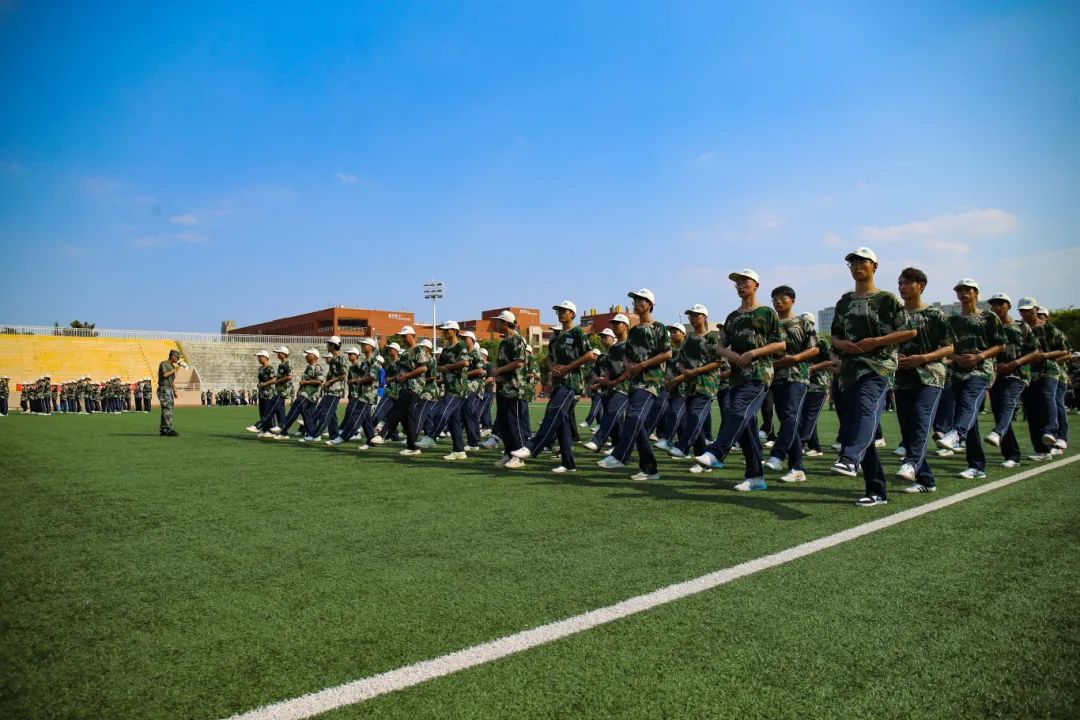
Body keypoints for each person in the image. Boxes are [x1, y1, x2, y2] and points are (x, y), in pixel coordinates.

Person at [828, 247, 915, 507]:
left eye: (862, 262)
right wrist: (841, 346)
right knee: (857, 425)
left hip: (878, 367)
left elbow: (909, 331)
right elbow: (834, 336)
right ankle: (876, 491)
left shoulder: (887, 299)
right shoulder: (844, 302)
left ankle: (850, 458)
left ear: (874, 266)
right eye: (853, 263)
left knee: (866, 410)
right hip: (849, 370)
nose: (857, 267)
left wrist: (876, 341)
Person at [693, 270, 786, 491]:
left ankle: (717, 451)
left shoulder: (767, 313)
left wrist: (753, 353)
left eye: (745, 281)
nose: (740, 285)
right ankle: (756, 477)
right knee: (746, 428)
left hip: (759, 373)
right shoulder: (732, 317)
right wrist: (732, 355)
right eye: (737, 282)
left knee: (737, 411)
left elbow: (781, 344)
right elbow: (719, 347)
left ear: (756, 285)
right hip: (737, 377)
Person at [511, 301, 596, 473]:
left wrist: (568, 367)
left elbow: (589, 355)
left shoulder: (578, 332)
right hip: (557, 382)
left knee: (553, 410)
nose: (560, 313)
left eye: (564, 311)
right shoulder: (556, 336)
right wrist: (551, 368)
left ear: (572, 314)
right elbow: (549, 356)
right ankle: (568, 463)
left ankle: (533, 445)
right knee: (562, 421)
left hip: (571, 382)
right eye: (558, 311)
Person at [596, 290, 672, 481]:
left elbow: (667, 353)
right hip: (635, 382)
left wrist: (642, 365)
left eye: (641, 300)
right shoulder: (634, 331)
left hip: (651, 381)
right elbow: (627, 356)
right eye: (635, 300)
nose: (636, 303)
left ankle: (621, 455)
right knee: (638, 426)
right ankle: (650, 470)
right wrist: (629, 365)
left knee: (634, 416)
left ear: (650, 304)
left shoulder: (659, 327)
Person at [893, 267, 955, 493]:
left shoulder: (935, 315)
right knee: (908, 428)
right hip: (902, 378)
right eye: (900, 283)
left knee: (921, 417)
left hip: (931, 376)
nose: (902, 287)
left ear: (921, 286)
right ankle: (926, 480)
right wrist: (895, 356)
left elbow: (949, 347)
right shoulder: (895, 315)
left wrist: (924, 358)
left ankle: (910, 463)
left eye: (907, 283)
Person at [937, 279, 1005, 479]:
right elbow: (946, 347)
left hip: (981, 370)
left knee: (968, 402)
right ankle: (976, 466)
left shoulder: (989, 317)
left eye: (968, 289)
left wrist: (980, 356)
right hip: (958, 372)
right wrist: (957, 358)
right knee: (969, 417)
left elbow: (1000, 344)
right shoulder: (952, 321)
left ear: (976, 293)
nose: (963, 293)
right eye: (960, 290)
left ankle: (956, 433)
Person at [763, 286, 819, 482]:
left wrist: (794, 358)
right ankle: (797, 469)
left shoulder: (802, 322)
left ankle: (778, 454)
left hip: (797, 376)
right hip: (775, 378)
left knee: (790, 417)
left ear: (792, 300)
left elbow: (814, 349)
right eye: (774, 299)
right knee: (788, 421)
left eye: (782, 298)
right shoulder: (770, 325)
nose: (778, 302)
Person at [667, 305, 724, 474]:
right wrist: (684, 371)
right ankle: (702, 461)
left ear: (704, 317)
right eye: (690, 316)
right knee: (695, 420)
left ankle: (683, 446)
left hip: (706, 384)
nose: (692, 318)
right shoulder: (688, 340)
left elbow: (718, 362)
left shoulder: (712, 338)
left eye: (696, 315)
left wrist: (697, 371)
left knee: (695, 415)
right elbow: (680, 362)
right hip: (690, 386)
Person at [986, 294, 1039, 468]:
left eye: (1000, 304)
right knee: (999, 412)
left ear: (1008, 306)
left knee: (1007, 402)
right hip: (996, 376)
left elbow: (1035, 351)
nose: (997, 307)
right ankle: (1012, 455)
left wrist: (1015, 363)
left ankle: (997, 432)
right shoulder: (990, 329)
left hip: (1018, 374)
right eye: (994, 305)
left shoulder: (1021, 327)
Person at [489, 310, 530, 468]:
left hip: (514, 388)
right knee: (504, 423)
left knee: (514, 423)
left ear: (505, 323)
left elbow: (519, 362)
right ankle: (508, 453)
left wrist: (498, 371)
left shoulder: (517, 339)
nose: (496, 324)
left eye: (499, 321)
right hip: (503, 388)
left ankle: (518, 457)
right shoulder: (504, 342)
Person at [385, 326, 431, 456]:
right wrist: (396, 378)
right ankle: (412, 447)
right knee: (407, 417)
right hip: (404, 387)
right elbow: (401, 372)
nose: (403, 338)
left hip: (414, 387)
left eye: (404, 336)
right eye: (402, 336)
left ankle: (383, 434)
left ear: (412, 335)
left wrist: (407, 376)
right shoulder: (405, 353)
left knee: (397, 409)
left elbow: (423, 368)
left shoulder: (418, 349)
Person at [584, 324, 629, 453]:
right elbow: (595, 373)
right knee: (614, 417)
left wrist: (612, 381)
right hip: (605, 390)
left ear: (613, 338)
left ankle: (603, 442)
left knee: (613, 414)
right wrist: (599, 381)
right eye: (602, 337)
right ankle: (617, 445)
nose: (603, 339)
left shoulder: (623, 349)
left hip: (620, 388)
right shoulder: (602, 356)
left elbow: (625, 369)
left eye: (606, 337)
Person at [431, 321, 472, 460]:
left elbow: (465, 362)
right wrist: (442, 368)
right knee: (454, 421)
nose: (444, 332)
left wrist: (448, 367)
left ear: (454, 331)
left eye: (447, 330)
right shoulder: (446, 349)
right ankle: (459, 450)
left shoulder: (460, 346)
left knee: (442, 412)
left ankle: (431, 436)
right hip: (449, 387)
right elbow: (438, 366)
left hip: (458, 388)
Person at [1037, 306, 1072, 453]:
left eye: (1042, 315)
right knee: (1045, 405)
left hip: (1059, 374)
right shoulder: (1034, 332)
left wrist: (1051, 359)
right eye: (1038, 315)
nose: (1039, 317)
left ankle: (1061, 438)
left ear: (1047, 317)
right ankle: (1050, 439)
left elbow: (1068, 353)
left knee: (1057, 402)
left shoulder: (1054, 331)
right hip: (1041, 374)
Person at [275, 349, 322, 440]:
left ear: (314, 356)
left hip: (308, 394)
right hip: (306, 394)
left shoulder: (317, 367)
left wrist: (305, 382)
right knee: (306, 414)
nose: (306, 356)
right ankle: (312, 434)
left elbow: (319, 381)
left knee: (295, 409)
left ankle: (283, 429)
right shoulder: (309, 367)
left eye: (308, 354)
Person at [158, 349, 184, 436]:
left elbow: (172, 380)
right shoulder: (164, 364)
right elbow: (165, 375)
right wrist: (175, 369)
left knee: (167, 408)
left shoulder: (172, 366)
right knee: (167, 408)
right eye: (177, 357)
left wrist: (174, 390)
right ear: (172, 356)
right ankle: (168, 428)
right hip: (164, 388)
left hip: (168, 388)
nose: (178, 359)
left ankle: (164, 429)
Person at [247, 350, 275, 433]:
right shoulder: (260, 369)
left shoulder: (270, 368)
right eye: (258, 357)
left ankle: (269, 430)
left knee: (267, 412)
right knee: (262, 412)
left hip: (268, 394)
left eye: (260, 357)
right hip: (261, 393)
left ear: (265, 357)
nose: (258, 358)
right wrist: (259, 385)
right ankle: (265, 429)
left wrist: (264, 384)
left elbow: (274, 379)